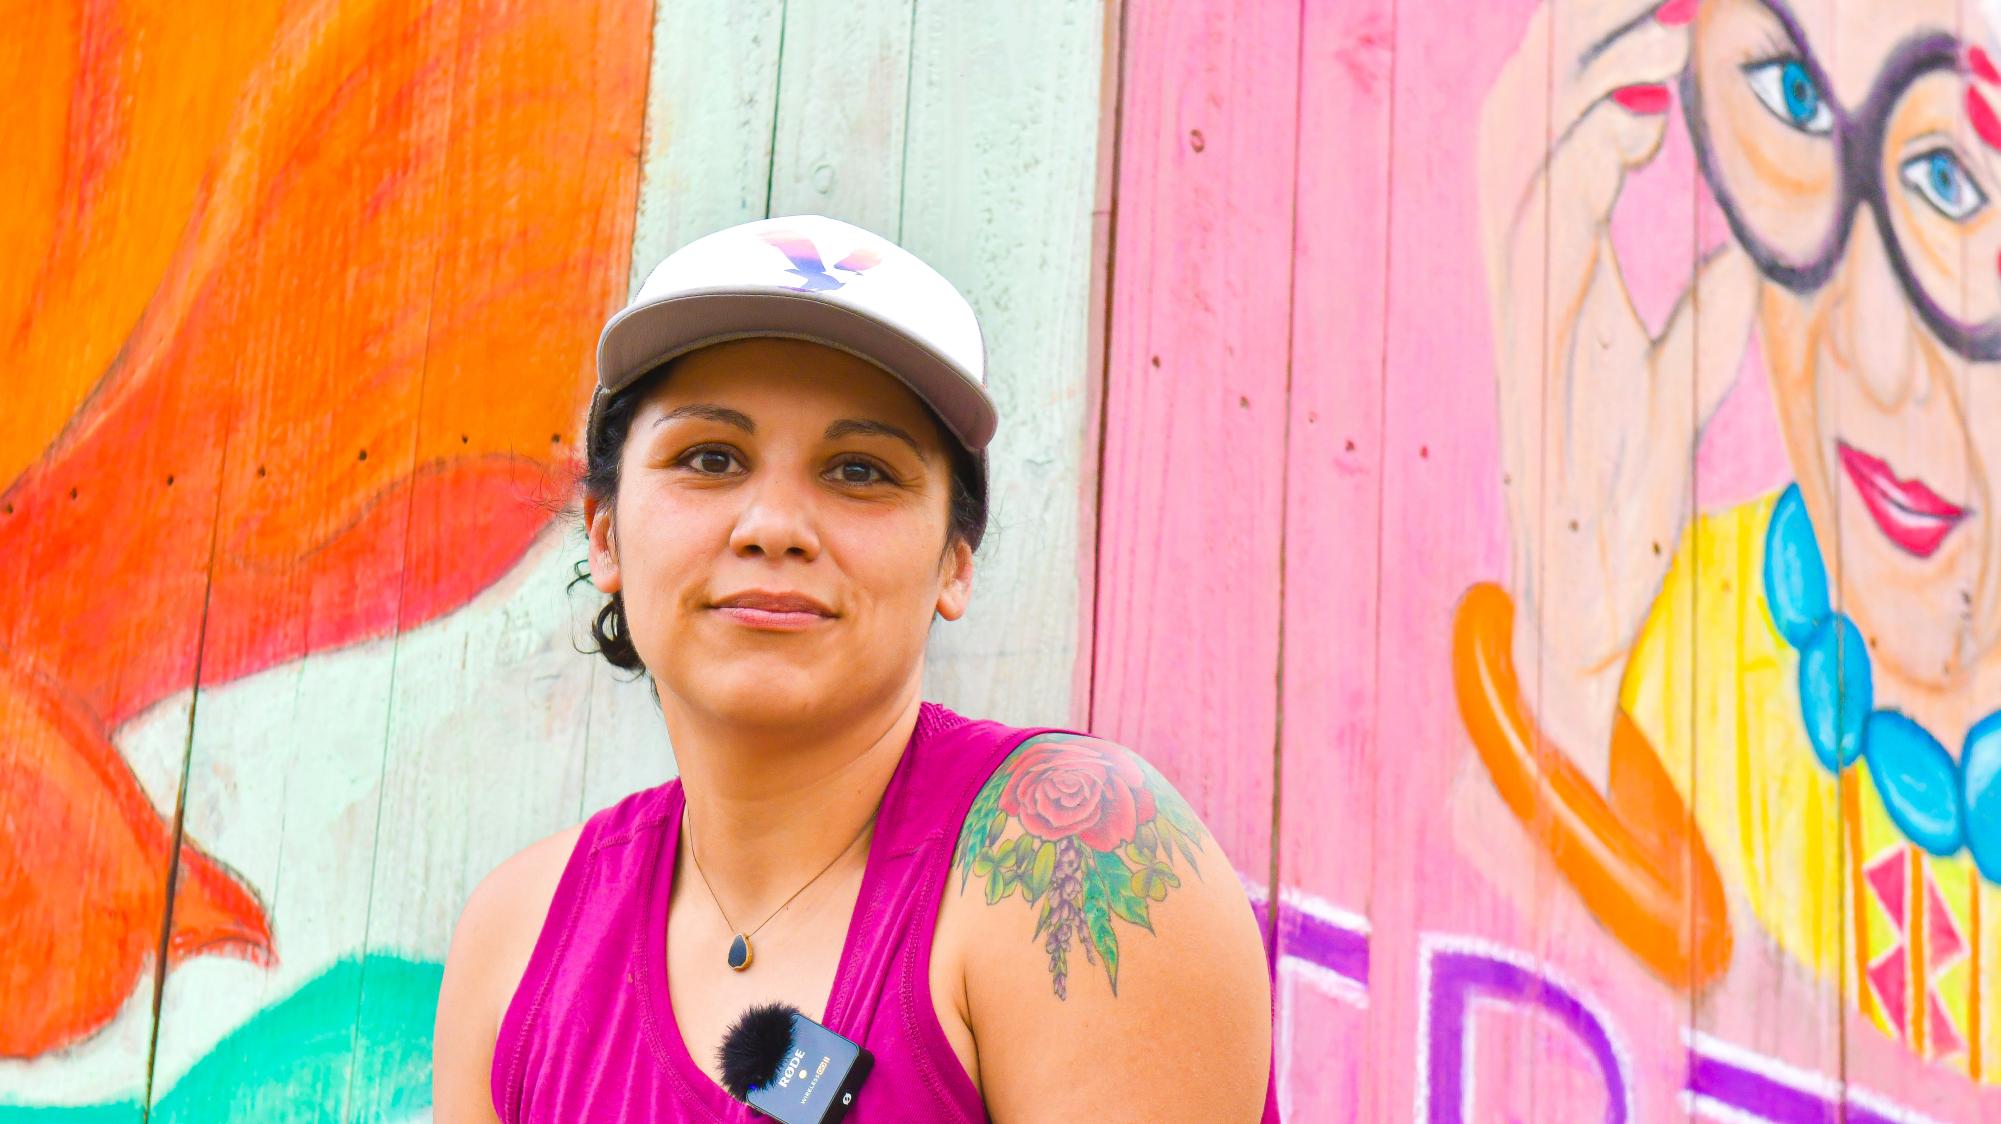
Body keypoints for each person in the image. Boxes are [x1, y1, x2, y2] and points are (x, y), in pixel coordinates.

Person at [432, 215, 1279, 1120]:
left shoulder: (1069, 854)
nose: (773, 526)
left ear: (955, 561)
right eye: (709, 458)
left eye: (860, 471)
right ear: (605, 534)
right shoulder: (518, 937)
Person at [1459, 0, 2001, 1082]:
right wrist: (1565, 689)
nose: (1873, 360)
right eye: (1794, 101)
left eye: (1956, 180)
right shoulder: (1678, 644)